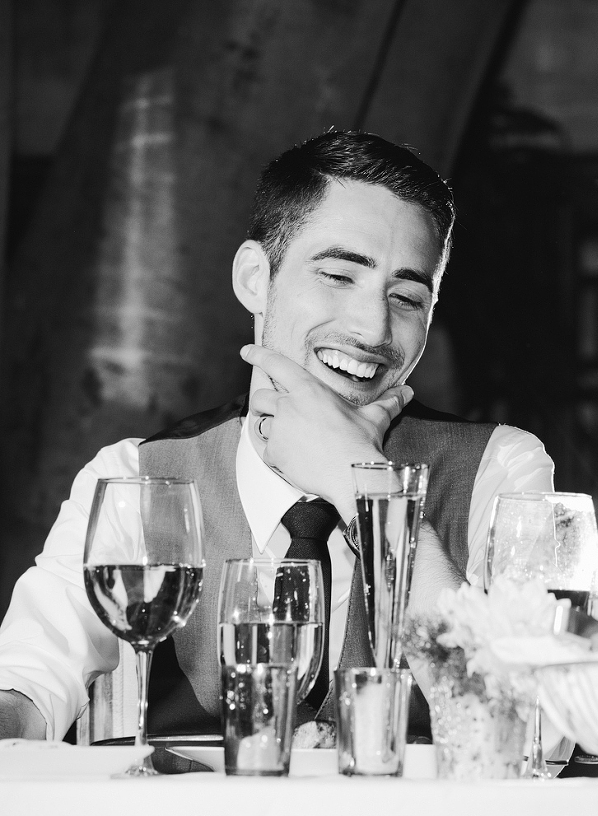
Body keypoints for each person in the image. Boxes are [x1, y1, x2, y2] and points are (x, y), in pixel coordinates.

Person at [0, 130, 553, 741]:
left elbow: (529, 726)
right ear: (255, 279)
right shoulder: (136, 477)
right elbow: (27, 676)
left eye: (405, 296)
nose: (373, 327)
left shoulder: (500, 470)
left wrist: (360, 481)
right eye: (339, 275)